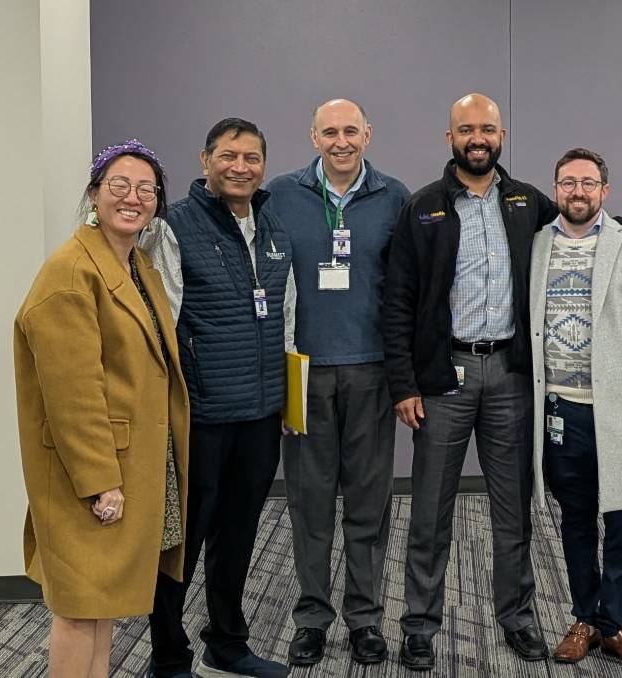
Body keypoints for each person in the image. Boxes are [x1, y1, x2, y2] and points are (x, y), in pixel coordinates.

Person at [382, 93, 622, 672]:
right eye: (465, 129)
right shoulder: (424, 206)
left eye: (486, 128)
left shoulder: (525, 202)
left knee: (515, 510)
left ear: (501, 134)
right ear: (450, 136)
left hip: (511, 376)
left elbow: (585, 228)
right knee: (430, 508)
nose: (477, 138)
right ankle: (420, 626)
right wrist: (404, 383)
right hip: (443, 378)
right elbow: (399, 299)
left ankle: (518, 619)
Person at [14, 140, 188, 678]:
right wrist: (98, 481)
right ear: (94, 194)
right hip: (89, 471)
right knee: (79, 611)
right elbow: (73, 393)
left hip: (127, 462)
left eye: (145, 189)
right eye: (119, 185)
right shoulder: (71, 272)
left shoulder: (136, 266)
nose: (132, 198)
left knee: (102, 606)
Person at [141, 119, 295, 678]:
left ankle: (226, 643)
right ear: (204, 160)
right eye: (228, 156)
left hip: (260, 415)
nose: (240, 167)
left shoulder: (271, 224)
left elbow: (286, 318)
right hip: (201, 416)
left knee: (239, 535)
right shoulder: (174, 227)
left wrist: (287, 401)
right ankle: (168, 653)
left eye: (252, 158)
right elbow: (160, 326)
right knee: (185, 539)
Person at [266, 99, 410, 666]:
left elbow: (406, 289)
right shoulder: (279, 193)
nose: (341, 140)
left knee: (368, 504)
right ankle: (311, 618)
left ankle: (365, 619)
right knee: (309, 502)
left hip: (371, 370)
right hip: (302, 371)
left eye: (351, 130)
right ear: (313, 136)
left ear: (368, 134)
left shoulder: (394, 197)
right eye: (330, 131)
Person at [531, 148, 622, 670]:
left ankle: (619, 623)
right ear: (556, 188)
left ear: (604, 191)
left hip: (619, 411)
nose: (578, 192)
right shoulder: (538, 244)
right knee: (576, 520)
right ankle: (584, 617)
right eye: (568, 183)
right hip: (561, 410)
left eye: (588, 183)